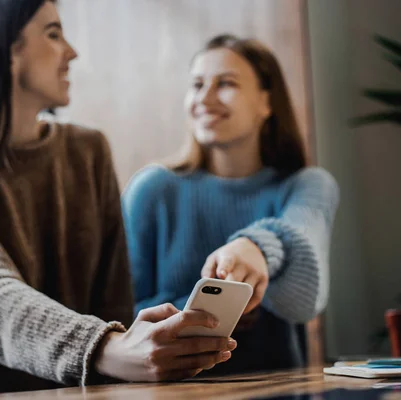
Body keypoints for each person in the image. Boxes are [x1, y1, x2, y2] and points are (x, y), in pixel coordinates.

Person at [0, 1, 235, 397]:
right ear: (7, 49)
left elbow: (113, 303)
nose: (72, 52)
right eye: (53, 34)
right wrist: (106, 347)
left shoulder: (88, 151)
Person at [123, 34, 340, 374]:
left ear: (267, 102)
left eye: (225, 83)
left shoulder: (307, 185)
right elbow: (118, 316)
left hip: (277, 389)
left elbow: (306, 288)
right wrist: (204, 314)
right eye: (196, 85)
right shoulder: (151, 190)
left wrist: (255, 248)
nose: (205, 99)